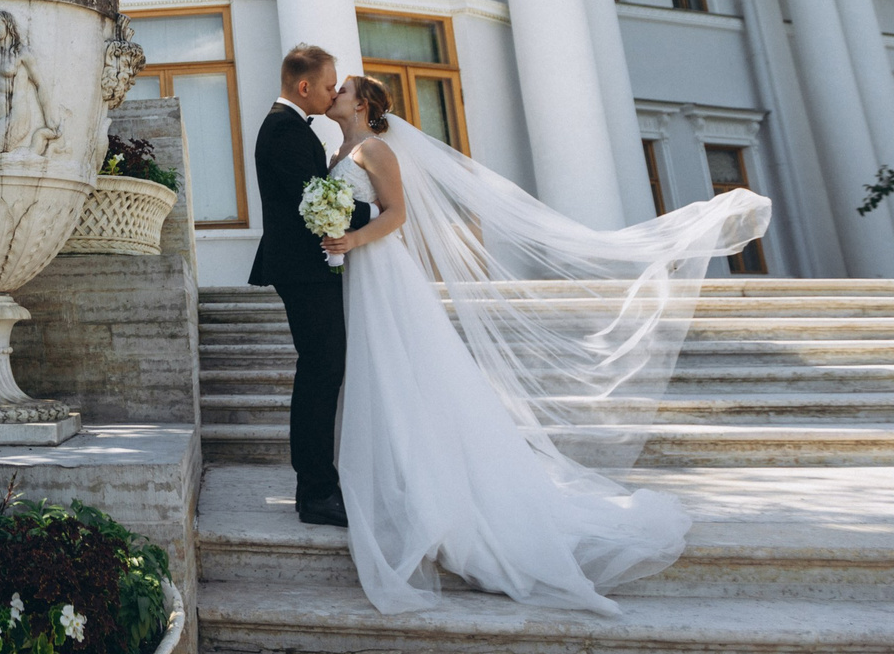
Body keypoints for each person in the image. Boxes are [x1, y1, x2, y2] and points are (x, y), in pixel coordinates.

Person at [315, 74, 770, 613]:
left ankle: (433, 487)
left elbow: (397, 214)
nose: (333, 93)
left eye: (342, 89)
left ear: (362, 104)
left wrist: (352, 238)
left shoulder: (375, 149)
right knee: (378, 370)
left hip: (380, 269)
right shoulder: (338, 151)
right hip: (353, 271)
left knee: (400, 365)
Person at [247, 44, 367, 528]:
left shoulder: (292, 126)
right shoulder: (284, 129)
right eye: (328, 85)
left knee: (322, 370)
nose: (333, 93)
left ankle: (315, 486)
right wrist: (382, 214)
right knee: (321, 371)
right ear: (303, 87)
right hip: (302, 269)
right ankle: (316, 491)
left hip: (307, 267)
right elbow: (316, 202)